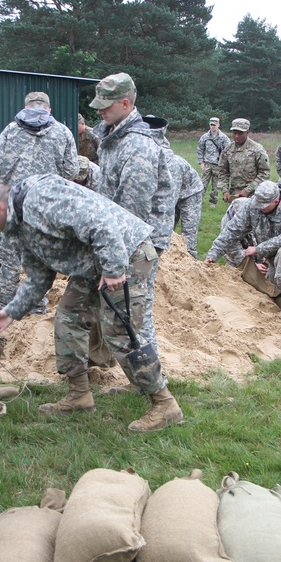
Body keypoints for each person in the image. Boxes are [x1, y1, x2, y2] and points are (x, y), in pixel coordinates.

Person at [0, 173, 183, 433]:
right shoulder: (20, 223)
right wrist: (11, 312)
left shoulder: (40, 197)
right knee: (68, 316)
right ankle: (79, 395)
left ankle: (165, 404)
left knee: (119, 331)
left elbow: (99, 223)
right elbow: (38, 277)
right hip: (94, 264)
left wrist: (112, 268)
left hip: (127, 253)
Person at [89, 72, 175, 354]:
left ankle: (151, 380)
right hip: (122, 234)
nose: (99, 109)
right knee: (126, 305)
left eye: (106, 104)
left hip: (139, 240)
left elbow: (132, 212)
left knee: (135, 307)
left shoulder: (137, 146)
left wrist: (112, 255)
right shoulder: (113, 136)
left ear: (125, 104)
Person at [0, 91, 78, 312]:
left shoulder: (10, 131)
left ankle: (5, 306)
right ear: (48, 109)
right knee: (42, 258)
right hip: (46, 208)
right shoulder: (62, 132)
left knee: (10, 258)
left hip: (14, 206)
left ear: (26, 107)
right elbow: (71, 170)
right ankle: (37, 308)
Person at [205, 180, 281, 318]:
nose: (259, 208)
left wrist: (258, 249)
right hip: (270, 259)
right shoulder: (253, 205)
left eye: (263, 206)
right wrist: (213, 254)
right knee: (273, 290)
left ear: (276, 202)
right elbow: (232, 231)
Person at [143, 115, 203, 259]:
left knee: (187, 232)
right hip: (173, 191)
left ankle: (190, 262)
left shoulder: (171, 164)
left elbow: (168, 202)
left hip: (190, 193)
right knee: (165, 233)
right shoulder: (148, 152)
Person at [218, 117, 270, 204]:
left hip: (254, 195)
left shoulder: (257, 150)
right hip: (234, 196)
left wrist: (248, 190)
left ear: (247, 132)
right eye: (234, 133)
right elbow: (223, 172)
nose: (236, 136)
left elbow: (265, 174)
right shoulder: (228, 150)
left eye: (240, 133)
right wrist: (225, 191)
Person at [196, 117, 230, 208]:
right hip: (207, 164)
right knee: (202, 184)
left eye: (214, 125)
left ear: (218, 125)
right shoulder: (205, 137)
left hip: (218, 165)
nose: (213, 127)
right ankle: (198, 201)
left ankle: (213, 202)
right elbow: (200, 149)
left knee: (215, 186)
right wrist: (201, 163)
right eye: (211, 125)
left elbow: (228, 152)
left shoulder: (223, 138)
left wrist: (224, 165)